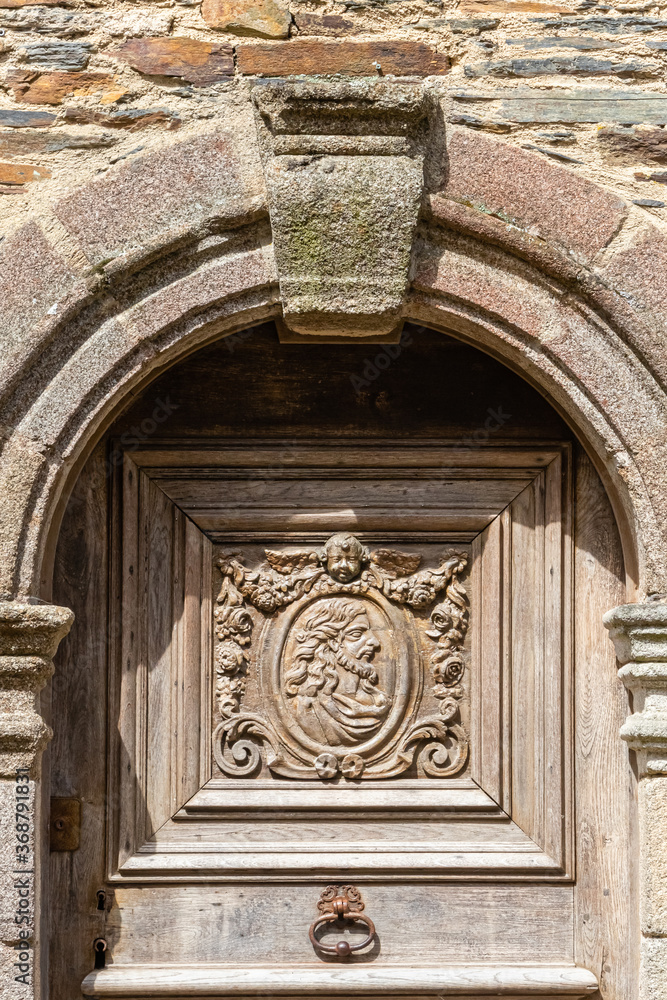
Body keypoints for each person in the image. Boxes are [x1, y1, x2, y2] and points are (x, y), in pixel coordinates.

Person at [284, 598, 389, 746]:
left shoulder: (378, 701)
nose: (374, 642)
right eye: (357, 634)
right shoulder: (308, 709)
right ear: (333, 642)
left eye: (370, 633)